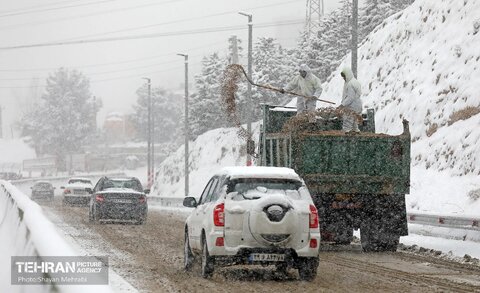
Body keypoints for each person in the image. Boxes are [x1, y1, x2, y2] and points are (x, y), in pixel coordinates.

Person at [339, 67, 362, 132]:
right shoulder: (354, 82)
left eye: (344, 76)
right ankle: (356, 133)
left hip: (351, 106)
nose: (343, 78)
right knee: (354, 123)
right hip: (356, 105)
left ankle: (346, 136)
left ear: (347, 75)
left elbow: (350, 98)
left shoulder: (350, 84)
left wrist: (342, 105)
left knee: (347, 123)